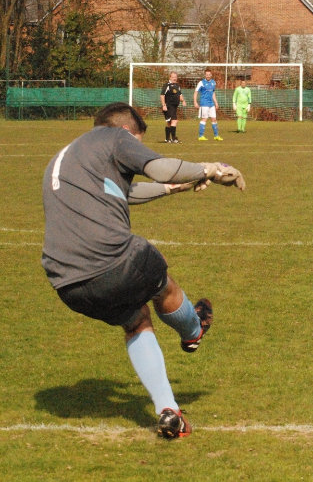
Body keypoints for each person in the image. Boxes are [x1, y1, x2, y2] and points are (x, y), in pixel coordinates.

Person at [41, 102, 245, 439]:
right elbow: (161, 168)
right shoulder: (115, 138)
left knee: (136, 321)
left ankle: (168, 411)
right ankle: (193, 329)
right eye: (137, 141)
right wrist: (208, 168)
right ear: (124, 132)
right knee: (158, 277)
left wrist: (173, 189)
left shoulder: (67, 157)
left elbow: (123, 193)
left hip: (66, 283)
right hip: (113, 259)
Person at [194, 68, 222, 141]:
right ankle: (201, 136)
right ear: (205, 75)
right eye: (207, 74)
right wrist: (195, 102)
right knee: (204, 119)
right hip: (204, 103)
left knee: (214, 119)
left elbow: (213, 93)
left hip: (211, 104)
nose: (208, 76)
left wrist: (216, 102)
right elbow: (196, 92)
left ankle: (216, 136)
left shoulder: (213, 82)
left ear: (211, 75)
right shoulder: (201, 82)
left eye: (209, 74)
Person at [160, 71, 186, 143]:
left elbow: (180, 95)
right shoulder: (167, 85)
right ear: (170, 77)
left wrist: (183, 101)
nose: (174, 78)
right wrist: (164, 105)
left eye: (175, 77)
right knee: (174, 121)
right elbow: (162, 95)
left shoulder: (177, 86)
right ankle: (174, 139)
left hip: (174, 107)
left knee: (169, 122)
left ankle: (167, 139)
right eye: (173, 77)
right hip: (168, 106)